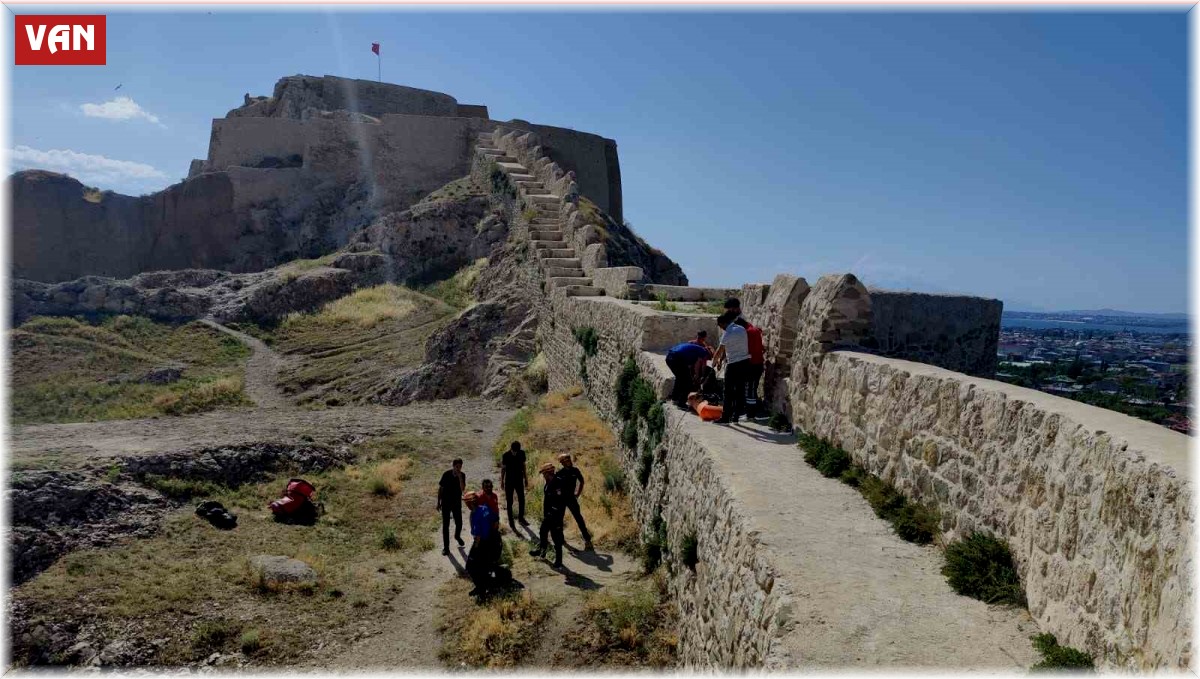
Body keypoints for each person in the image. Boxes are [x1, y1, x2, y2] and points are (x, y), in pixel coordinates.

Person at [725, 298, 765, 418]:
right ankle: (746, 412)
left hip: (752, 363)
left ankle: (750, 414)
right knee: (749, 389)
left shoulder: (746, 332)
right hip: (755, 362)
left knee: (750, 389)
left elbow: (746, 348)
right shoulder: (753, 329)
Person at [712, 310, 750, 424]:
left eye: (720, 326)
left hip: (733, 364)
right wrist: (721, 360)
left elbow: (720, 349)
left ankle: (725, 417)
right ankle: (736, 416)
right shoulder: (741, 329)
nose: (721, 328)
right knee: (740, 390)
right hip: (745, 362)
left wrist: (714, 361)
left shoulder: (727, 333)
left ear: (723, 323)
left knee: (728, 391)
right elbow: (729, 347)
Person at [529, 463, 567, 568]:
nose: (543, 476)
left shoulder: (558, 483)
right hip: (548, 514)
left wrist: (554, 512)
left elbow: (561, 501)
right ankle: (542, 551)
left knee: (556, 537)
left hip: (555, 515)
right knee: (543, 531)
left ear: (548, 473)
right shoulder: (548, 482)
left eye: (544, 473)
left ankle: (559, 560)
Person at [464, 491, 500, 597]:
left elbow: (477, 537)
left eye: (466, 503)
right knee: (486, 566)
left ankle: (481, 588)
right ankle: (488, 587)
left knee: (471, 567)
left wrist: (475, 549)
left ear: (470, 503)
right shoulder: (485, 508)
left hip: (483, 543)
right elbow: (496, 520)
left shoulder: (475, 515)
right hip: (493, 541)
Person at [555, 453, 592, 551]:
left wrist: (578, 493)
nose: (569, 462)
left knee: (579, 518)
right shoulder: (559, 473)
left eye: (569, 459)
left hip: (571, 498)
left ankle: (587, 540)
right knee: (559, 519)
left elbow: (582, 481)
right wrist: (558, 495)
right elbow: (556, 487)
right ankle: (561, 540)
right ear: (562, 463)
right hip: (562, 500)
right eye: (567, 460)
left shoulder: (575, 471)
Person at [665, 340, 712, 408]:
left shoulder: (695, 350)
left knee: (680, 378)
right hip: (677, 358)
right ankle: (681, 403)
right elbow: (699, 365)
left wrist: (694, 375)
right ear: (708, 354)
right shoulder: (703, 352)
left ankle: (674, 398)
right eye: (708, 358)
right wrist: (698, 377)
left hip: (669, 357)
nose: (707, 359)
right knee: (688, 382)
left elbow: (690, 367)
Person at [436, 458, 466, 555]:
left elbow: (462, 489)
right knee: (446, 525)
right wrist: (438, 502)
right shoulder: (446, 474)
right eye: (457, 467)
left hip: (456, 503)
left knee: (459, 523)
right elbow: (440, 489)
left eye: (460, 467)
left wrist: (460, 478)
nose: (458, 469)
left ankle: (457, 536)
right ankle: (446, 548)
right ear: (453, 466)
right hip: (446, 503)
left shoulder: (462, 475)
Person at [500, 441, 529, 530]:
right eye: (514, 451)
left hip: (519, 480)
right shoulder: (506, 455)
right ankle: (511, 521)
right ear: (511, 449)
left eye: (516, 451)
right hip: (509, 481)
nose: (515, 453)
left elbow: (523, 466)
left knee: (522, 499)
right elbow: (503, 469)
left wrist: (525, 478)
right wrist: (502, 481)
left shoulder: (521, 453)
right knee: (509, 502)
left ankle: (521, 518)